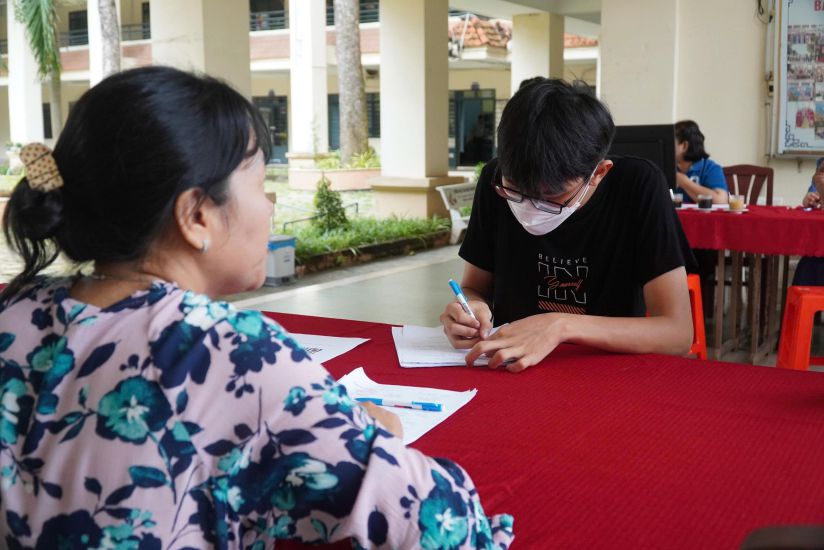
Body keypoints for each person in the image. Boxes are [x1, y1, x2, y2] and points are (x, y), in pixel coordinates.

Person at [0, 67, 513, 548]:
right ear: (197, 215)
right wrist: (373, 436)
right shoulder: (227, 353)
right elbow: (445, 525)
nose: (269, 203)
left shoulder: (15, 313)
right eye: (259, 181)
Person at [439, 78, 694, 373]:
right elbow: (473, 287)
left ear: (598, 173)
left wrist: (559, 326)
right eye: (515, 191)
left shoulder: (638, 186)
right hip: (510, 370)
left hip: (603, 374)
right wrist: (471, 310)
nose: (530, 208)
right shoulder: (495, 178)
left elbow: (677, 333)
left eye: (552, 196)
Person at [674, 120, 728, 204]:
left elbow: (720, 201)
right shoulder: (664, 168)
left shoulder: (710, 168)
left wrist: (684, 182)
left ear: (684, 146)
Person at [794, 157, 824, 285]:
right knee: (808, 264)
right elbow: (814, 193)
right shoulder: (822, 163)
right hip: (818, 244)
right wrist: (810, 199)